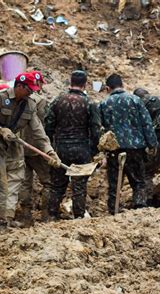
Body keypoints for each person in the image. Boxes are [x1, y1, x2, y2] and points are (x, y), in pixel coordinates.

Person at [0, 72, 60, 229]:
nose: (32, 92)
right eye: (29, 89)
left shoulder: (30, 105)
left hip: (12, 146)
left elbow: (38, 131)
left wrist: (49, 152)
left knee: (15, 180)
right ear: (19, 86)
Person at [44, 70, 101, 220]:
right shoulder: (89, 103)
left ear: (71, 82)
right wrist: (93, 151)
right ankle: (79, 218)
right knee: (79, 187)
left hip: (60, 149)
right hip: (81, 149)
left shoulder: (57, 101)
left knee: (57, 185)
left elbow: (48, 126)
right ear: (85, 83)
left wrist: (50, 147)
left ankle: (51, 217)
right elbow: (95, 130)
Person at [99, 73, 158, 214]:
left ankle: (113, 211)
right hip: (135, 148)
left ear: (108, 88)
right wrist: (152, 144)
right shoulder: (136, 100)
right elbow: (147, 124)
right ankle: (139, 209)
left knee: (114, 184)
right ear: (122, 85)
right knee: (138, 182)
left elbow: (100, 128)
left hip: (114, 150)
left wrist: (100, 151)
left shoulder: (103, 104)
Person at [19, 70, 52, 218]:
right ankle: (45, 214)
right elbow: (44, 125)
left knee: (25, 183)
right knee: (48, 181)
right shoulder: (40, 101)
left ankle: (26, 216)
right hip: (37, 148)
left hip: (21, 147)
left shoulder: (19, 99)